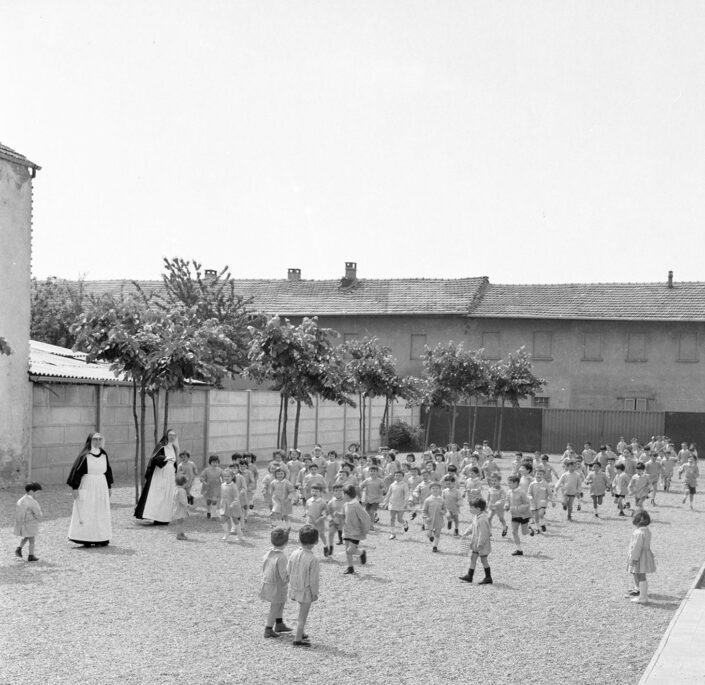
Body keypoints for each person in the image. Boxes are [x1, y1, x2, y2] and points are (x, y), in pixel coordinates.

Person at [67, 432, 113, 546]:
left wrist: (109, 486)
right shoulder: (85, 456)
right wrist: (75, 488)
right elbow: (77, 472)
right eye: (95, 439)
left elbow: (108, 471)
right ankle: (86, 538)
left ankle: (101, 537)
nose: (97, 442)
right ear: (90, 441)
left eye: (99, 439)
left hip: (101, 484)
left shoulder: (103, 454)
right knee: (87, 510)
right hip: (88, 484)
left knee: (101, 511)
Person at [134, 429, 178, 524]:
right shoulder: (161, 446)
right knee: (158, 496)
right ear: (166, 435)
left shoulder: (173, 447)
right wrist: (166, 458)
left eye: (174, 435)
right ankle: (156, 517)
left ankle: (164, 518)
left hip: (169, 475)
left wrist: (175, 471)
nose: (172, 437)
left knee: (167, 496)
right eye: (170, 435)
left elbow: (175, 462)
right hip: (160, 475)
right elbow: (155, 458)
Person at [287, 525, 320, 646]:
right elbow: (313, 579)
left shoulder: (294, 553)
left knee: (301, 610)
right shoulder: (313, 559)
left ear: (299, 539)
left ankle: (301, 632)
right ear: (316, 541)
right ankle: (298, 638)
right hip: (306, 590)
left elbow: (288, 569)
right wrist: (315, 593)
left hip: (295, 587)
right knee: (303, 615)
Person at [260, 527, 292, 638]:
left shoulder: (269, 553)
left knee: (281, 602)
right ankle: (268, 628)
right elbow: (284, 574)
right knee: (275, 606)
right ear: (286, 543)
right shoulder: (282, 557)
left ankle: (279, 623)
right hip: (278, 586)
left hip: (269, 583)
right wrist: (291, 577)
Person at [459, 497, 492, 584]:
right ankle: (470, 576)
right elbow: (472, 526)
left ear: (478, 509)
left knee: (484, 560)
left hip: (482, 544)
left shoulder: (482, 519)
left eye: (471, 508)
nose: (470, 509)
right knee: (473, 558)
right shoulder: (476, 516)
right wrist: (466, 533)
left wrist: (480, 544)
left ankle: (488, 577)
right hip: (475, 543)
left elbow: (484, 533)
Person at [627, 511, 656, 604]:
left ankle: (642, 597)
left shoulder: (638, 533)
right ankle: (642, 593)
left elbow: (636, 547)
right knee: (641, 575)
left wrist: (633, 558)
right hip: (645, 555)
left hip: (639, 557)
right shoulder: (646, 531)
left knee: (640, 575)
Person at [342, 484, 370, 575]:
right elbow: (344, 515)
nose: (343, 496)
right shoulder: (346, 504)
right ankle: (350, 568)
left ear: (347, 495)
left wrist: (366, 529)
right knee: (347, 550)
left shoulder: (356, 505)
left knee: (349, 551)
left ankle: (362, 553)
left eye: (343, 494)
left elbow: (366, 518)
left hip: (356, 532)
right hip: (346, 531)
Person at [15, 482, 42, 561]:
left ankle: (19, 548)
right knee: (32, 539)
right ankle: (31, 555)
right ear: (31, 492)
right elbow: (37, 512)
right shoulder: (33, 502)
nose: (39, 495)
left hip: (22, 522)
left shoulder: (21, 500)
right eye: (37, 493)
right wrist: (38, 517)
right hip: (30, 522)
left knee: (27, 536)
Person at [506, 474, 531, 555]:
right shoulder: (509, 492)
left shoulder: (522, 492)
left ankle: (530, 530)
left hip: (524, 515)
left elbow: (527, 504)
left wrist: (517, 508)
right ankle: (519, 550)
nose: (508, 484)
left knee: (524, 532)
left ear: (516, 483)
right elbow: (507, 502)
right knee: (514, 532)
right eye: (508, 483)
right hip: (514, 515)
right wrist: (506, 506)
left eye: (510, 483)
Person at [383, 470, 409, 540]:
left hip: (401, 504)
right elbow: (388, 494)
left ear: (403, 477)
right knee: (392, 519)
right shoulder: (392, 485)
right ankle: (392, 533)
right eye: (396, 475)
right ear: (394, 477)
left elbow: (406, 494)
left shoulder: (404, 485)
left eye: (399, 476)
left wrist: (406, 502)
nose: (398, 477)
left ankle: (405, 522)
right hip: (392, 504)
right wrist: (385, 502)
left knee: (399, 519)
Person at [422, 482, 447, 552]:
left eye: (437, 488)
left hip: (439, 520)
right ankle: (431, 535)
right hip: (430, 520)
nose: (435, 490)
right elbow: (424, 510)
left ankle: (435, 546)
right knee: (428, 534)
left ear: (440, 490)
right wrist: (426, 517)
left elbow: (445, 509)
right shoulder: (427, 500)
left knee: (438, 533)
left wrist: (443, 512)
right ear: (430, 490)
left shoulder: (442, 500)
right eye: (433, 488)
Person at [305, 483, 328, 555]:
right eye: (313, 491)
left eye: (316, 491)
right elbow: (307, 510)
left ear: (321, 493)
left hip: (319, 523)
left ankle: (325, 546)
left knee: (321, 535)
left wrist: (319, 519)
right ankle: (308, 550)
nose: (314, 493)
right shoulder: (308, 501)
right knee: (310, 535)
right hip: (310, 522)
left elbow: (326, 514)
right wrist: (308, 515)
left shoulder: (323, 502)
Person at [173, 474, 191, 540]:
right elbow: (182, 500)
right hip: (180, 508)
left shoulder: (175, 489)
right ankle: (179, 535)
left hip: (176, 508)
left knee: (180, 521)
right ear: (184, 483)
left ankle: (181, 532)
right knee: (180, 522)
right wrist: (187, 505)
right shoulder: (182, 491)